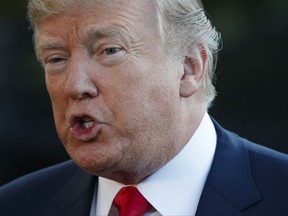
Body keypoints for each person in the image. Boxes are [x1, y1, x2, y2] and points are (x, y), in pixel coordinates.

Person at [0, 0, 288, 215]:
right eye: (56, 59)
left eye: (109, 50)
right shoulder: (15, 205)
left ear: (189, 68)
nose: (75, 86)